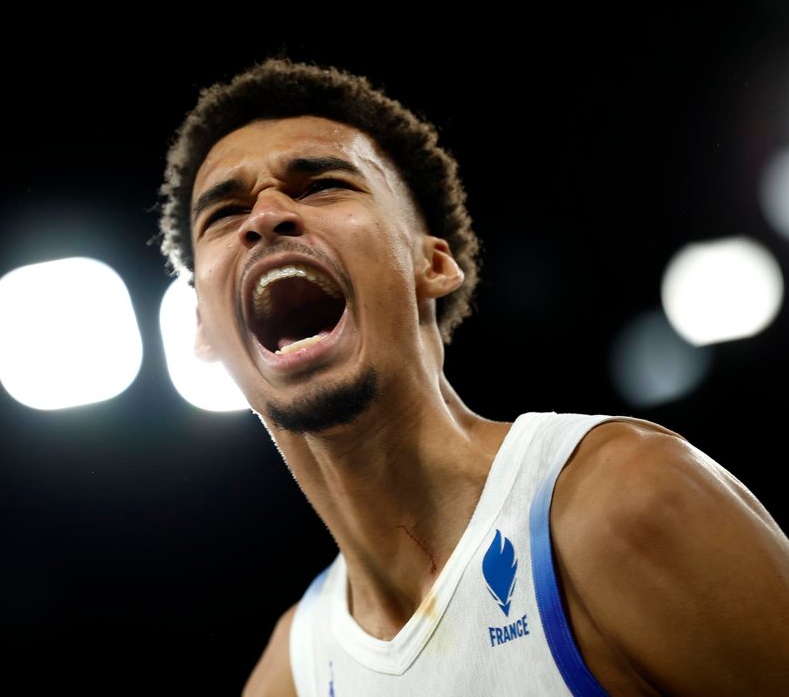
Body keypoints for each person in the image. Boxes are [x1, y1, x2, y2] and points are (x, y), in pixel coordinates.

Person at [154, 56, 789, 696]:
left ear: (433, 264)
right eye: (225, 214)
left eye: (322, 186)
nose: (265, 216)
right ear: (203, 328)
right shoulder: (291, 677)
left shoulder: (626, 500)